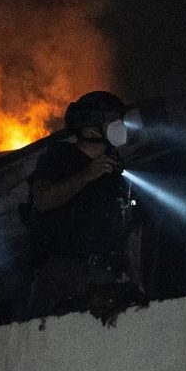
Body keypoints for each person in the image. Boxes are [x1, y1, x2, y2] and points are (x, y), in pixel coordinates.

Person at [24, 91, 143, 318]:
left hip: (105, 275)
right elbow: (42, 200)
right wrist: (87, 174)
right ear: (90, 125)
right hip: (62, 273)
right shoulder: (59, 157)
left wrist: (136, 283)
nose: (119, 125)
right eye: (111, 118)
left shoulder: (117, 169)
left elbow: (130, 231)